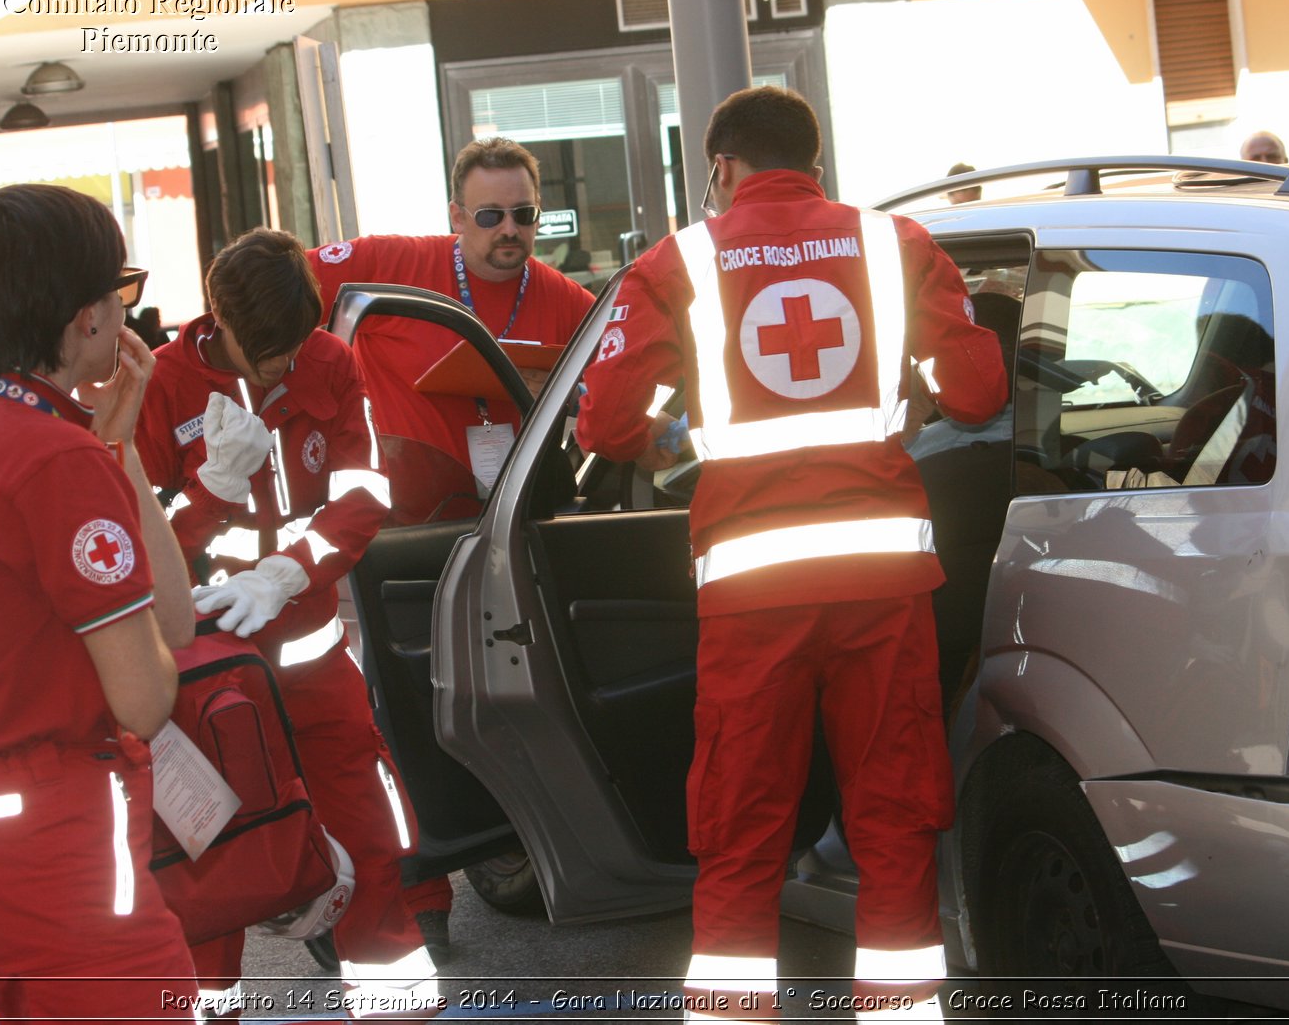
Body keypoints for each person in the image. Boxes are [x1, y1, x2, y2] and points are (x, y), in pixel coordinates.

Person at [576, 87, 1008, 1021]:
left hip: (752, 591)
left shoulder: (680, 261)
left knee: (740, 827)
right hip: (883, 585)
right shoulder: (896, 247)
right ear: (816, 164)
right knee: (894, 815)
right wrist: (916, 381)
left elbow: (606, 423)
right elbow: (979, 394)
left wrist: (667, 423)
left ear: (721, 170)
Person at [0, 183, 200, 1020]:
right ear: (86, 318)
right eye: (122, 291)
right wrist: (96, 455)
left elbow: (169, 621)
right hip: (58, 845)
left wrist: (117, 447)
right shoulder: (52, 459)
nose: (127, 316)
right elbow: (146, 698)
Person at [135, 227, 437, 1019]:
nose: (279, 367)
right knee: (208, 870)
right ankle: (209, 1012)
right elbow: (134, 547)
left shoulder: (328, 362)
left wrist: (290, 571)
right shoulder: (162, 388)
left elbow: (364, 490)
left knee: (370, 844)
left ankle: (397, 1005)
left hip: (312, 664)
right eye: (264, 351)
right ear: (217, 319)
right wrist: (210, 491)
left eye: (291, 348)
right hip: (206, 684)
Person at [306, 136, 595, 525]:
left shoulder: (566, 299)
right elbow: (270, 294)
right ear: (457, 217)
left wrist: (568, 395)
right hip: (399, 529)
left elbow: (626, 381)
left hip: (510, 525)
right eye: (491, 216)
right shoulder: (390, 263)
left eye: (524, 214)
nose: (509, 228)